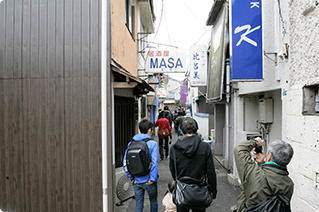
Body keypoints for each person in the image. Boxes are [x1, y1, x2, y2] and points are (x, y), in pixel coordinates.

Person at [169, 117, 217, 212]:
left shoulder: (174, 148)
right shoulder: (204, 147)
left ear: (181, 131)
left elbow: (173, 170)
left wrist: (178, 181)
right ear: (196, 130)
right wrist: (213, 192)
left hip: (182, 191)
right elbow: (211, 172)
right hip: (200, 191)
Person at [233, 137, 294, 211]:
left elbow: (239, 150)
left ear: (269, 156)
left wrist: (255, 142)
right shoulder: (289, 184)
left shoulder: (254, 174)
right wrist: (262, 163)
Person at [123, 119, 159, 212]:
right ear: (150, 130)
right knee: (153, 201)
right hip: (149, 180)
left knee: (139, 205)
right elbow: (154, 163)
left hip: (136, 180)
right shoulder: (153, 144)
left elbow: (125, 163)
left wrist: (131, 177)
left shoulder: (131, 143)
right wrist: (152, 179)